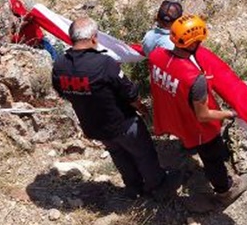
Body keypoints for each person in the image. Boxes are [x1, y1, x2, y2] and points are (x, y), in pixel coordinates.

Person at [51, 17, 177, 199]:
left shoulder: (60, 65)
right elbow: (129, 92)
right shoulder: (104, 63)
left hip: (93, 125)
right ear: (94, 38)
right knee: (143, 153)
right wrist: (142, 109)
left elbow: (61, 92)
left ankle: (133, 188)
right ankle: (157, 186)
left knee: (119, 154)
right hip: (122, 122)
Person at [146, 15, 247, 208]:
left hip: (175, 117)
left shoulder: (156, 56)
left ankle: (190, 147)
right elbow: (204, 115)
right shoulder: (194, 78)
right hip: (198, 129)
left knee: (197, 145)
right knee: (212, 158)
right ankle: (224, 190)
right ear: (193, 44)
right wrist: (231, 114)